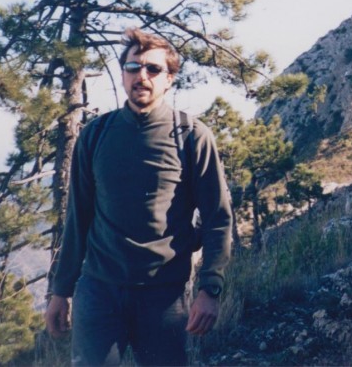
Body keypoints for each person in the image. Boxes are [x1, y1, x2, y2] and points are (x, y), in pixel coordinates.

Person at [45, 28, 233, 366]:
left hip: (163, 295)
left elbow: (218, 217)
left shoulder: (192, 136)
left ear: (169, 79)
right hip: (99, 290)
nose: (141, 76)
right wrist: (62, 290)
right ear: (123, 74)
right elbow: (79, 218)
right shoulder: (95, 135)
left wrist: (211, 289)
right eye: (133, 68)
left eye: (153, 69)